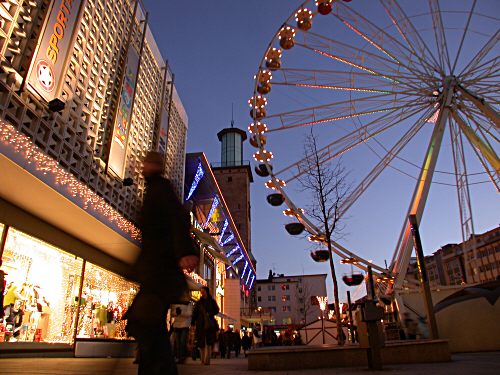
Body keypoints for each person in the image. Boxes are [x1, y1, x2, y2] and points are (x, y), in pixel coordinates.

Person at [125, 151, 199, 375]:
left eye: (147, 163)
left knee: (145, 322)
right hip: (156, 271)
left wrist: (185, 251)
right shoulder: (154, 189)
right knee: (149, 324)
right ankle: (155, 369)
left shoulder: (161, 189)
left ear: (154, 165)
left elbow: (178, 218)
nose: (143, 167)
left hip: (161, 272)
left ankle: (158, 369)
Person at [191, 287, 219, 365]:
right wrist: (193, 322)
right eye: (201, 292)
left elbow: (217, 310)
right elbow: (195, 313)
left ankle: (207, 360)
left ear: (206, 292)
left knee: (208, 343)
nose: (202, 293)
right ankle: (202, 360)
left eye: (203, 292)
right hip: (200, 325)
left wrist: (210, 313)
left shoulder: (212, 301)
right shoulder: (199, 302)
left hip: (209, 325)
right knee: (201, 344)